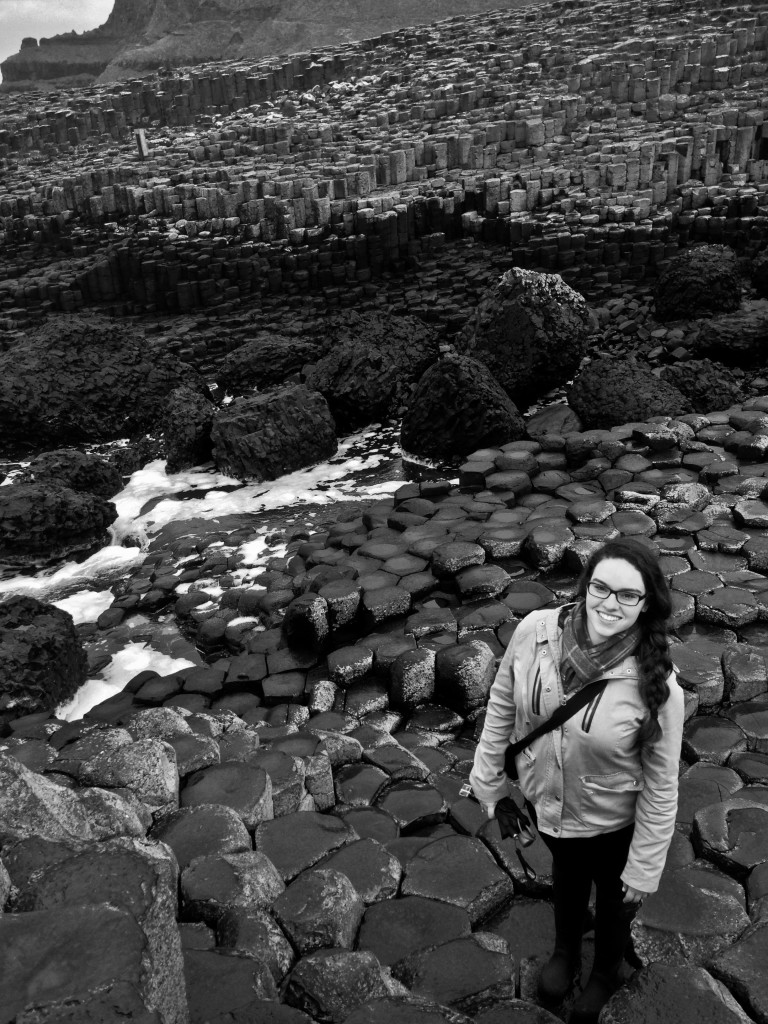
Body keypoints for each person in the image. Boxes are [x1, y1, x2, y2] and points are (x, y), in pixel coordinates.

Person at [469, 537, 684, 1023]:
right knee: (565, 880)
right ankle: (565, 950)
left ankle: (605, 971)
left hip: (614, 825)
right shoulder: (535, 632)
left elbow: (661, 785)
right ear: (585, 587)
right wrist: (490, 786)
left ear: (646, 603)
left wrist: (645, 867)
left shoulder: (659, 688)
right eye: (602, 588)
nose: (611, 603)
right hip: (548, 803)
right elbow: (502, 704)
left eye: (628, 595)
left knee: (613, 899)